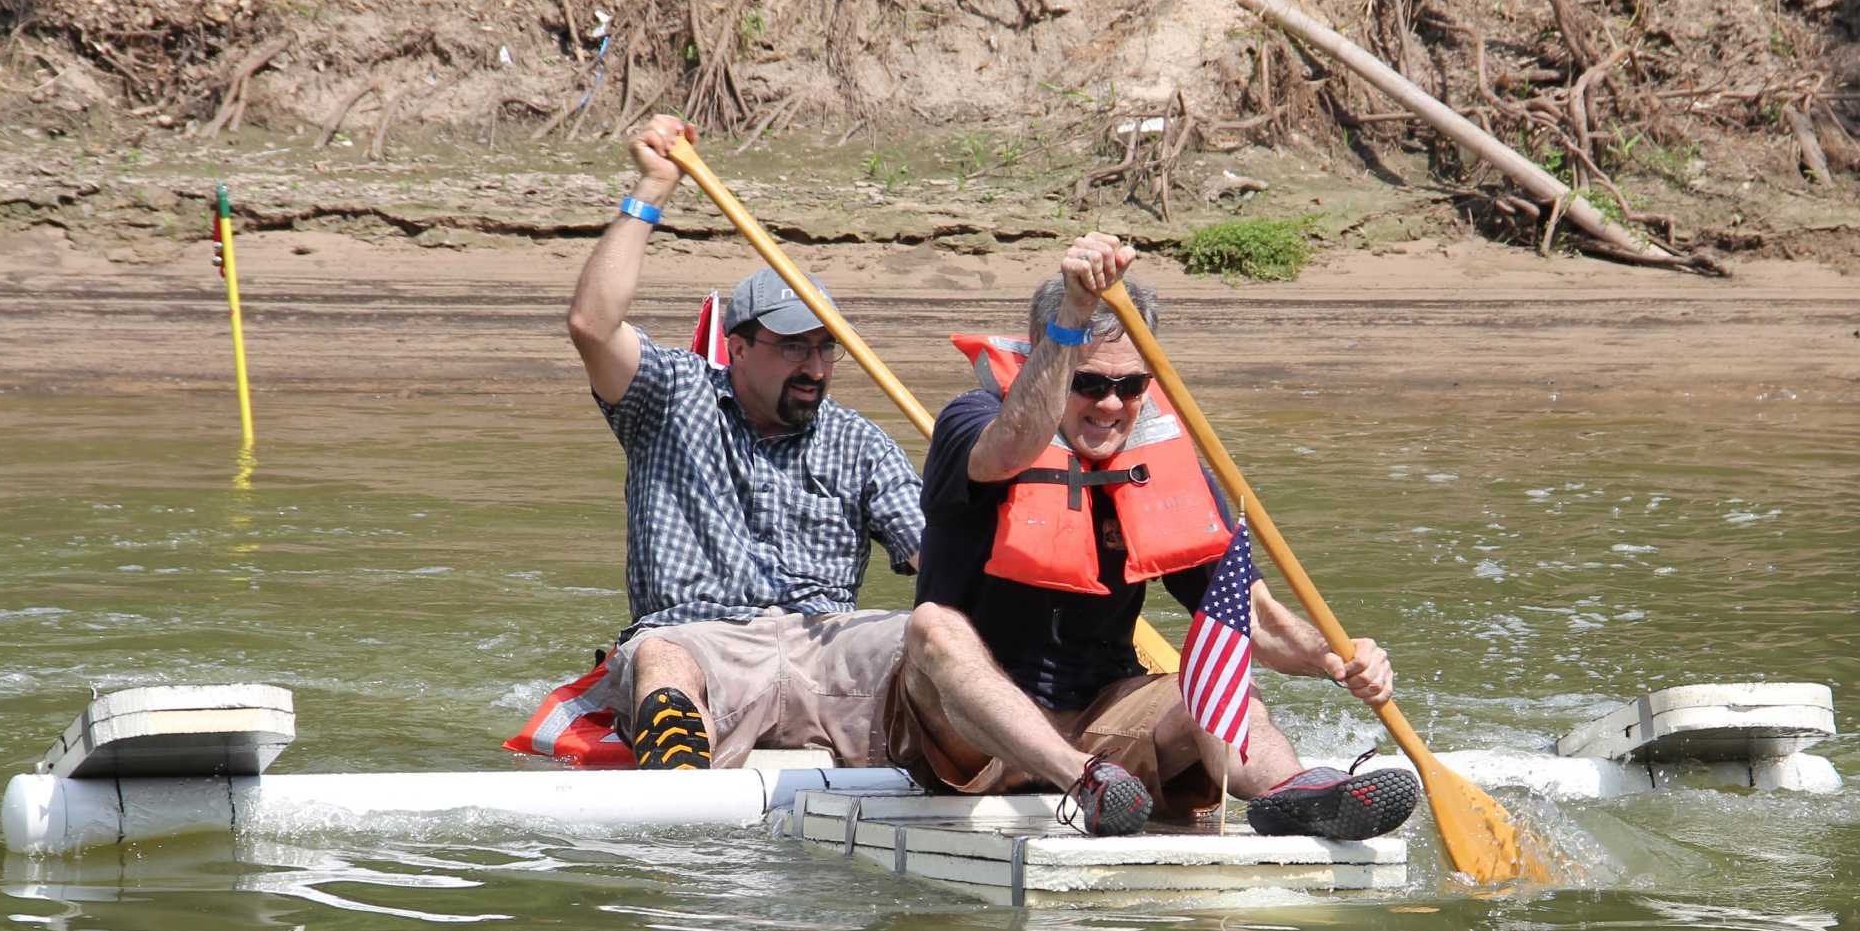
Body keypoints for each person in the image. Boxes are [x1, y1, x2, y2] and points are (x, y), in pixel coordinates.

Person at [884, 232, 1419, 838]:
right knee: (932, 626)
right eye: (1090, 383)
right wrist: (1073, 315)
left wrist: (1337, 656)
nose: (1111, 405)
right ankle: (1082, 781)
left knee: (1215, 685)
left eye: (1131, 386)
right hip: (965, 733)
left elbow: (1254, 619)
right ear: (1046, 360)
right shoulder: (972, 421)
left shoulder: (1160, 464)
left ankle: (1296, 792)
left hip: (1104, 720)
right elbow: (1011, 448)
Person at [565, 114, 924, 770]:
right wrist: (653, 187)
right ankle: (680, 792)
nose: (814, 367)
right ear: (737, 347)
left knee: (932, 637)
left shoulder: (861, 443)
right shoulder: (671, 397)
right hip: (701, 640)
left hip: (826, 645)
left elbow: (931, 550)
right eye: (793, 347)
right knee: (661, 654)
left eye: (827, 347)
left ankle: (993, 755)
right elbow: (592, 325)